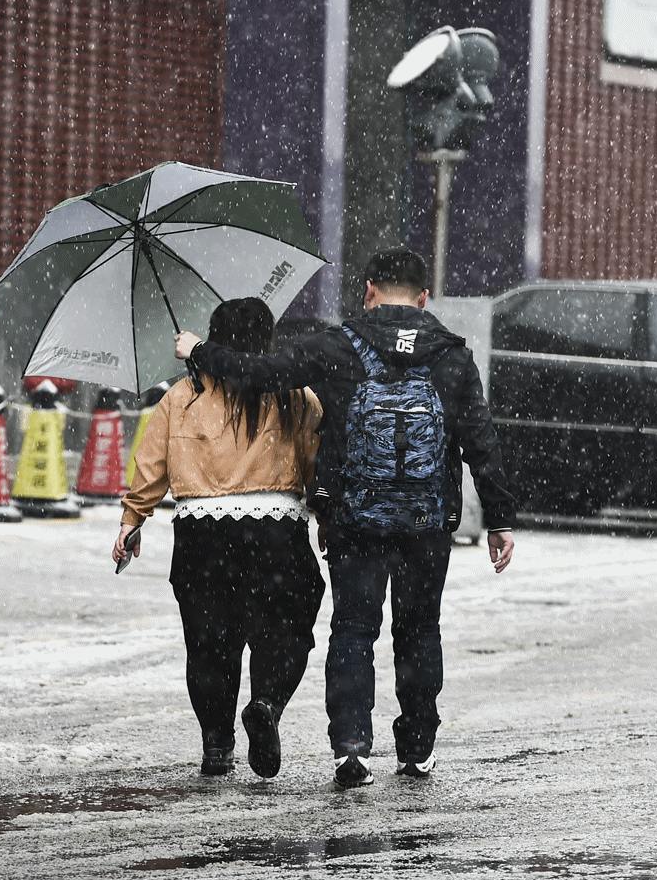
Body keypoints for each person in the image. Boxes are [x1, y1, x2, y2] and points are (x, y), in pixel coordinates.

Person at [174, 248, 515, 789]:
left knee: (354, 630)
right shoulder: (452, 356)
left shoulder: (338, 346)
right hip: (426, 522)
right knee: (420, 630)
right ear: (424, 297)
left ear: (369, 289)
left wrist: (202, 350)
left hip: (356, 520)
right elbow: (481, 443)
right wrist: (499, 518)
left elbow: (263, 373)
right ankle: (418, 745)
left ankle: (351, 746)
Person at [115, 298, 325, 780]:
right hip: (276, 531)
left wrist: (133, 519)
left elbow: (151, 464)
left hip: (201, 534)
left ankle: (216, 742)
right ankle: (267, 702)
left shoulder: (179, 397)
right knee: (286, 627)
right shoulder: (295, 396)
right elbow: (318, 464)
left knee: (210, 644)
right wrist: (327, 519)